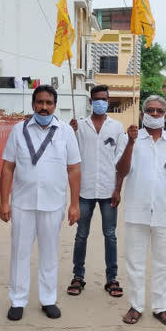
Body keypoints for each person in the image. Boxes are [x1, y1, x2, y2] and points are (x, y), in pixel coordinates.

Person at [0, 85, 81, 321]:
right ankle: (17, 300)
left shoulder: (65, 132)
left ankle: (48, 299)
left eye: (49, 103)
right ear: (33, 104)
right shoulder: (18, 130)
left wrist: (74, 204)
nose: (44, 108)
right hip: (23, 203)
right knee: (19, 254)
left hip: (53, 203)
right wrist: (4, 202)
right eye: (40, 103)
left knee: (49, 254)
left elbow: (74, 169)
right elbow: (7, 167)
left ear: (55, 106)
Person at [115, 96, 166, 327]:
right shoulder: (130, 139)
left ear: (165, 115)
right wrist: (130, 143)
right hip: (137, 210)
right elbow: (121, 170)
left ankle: (160, 307)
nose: (155, 114)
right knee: (135, 262)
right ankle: (136, 306)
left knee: (163, 262)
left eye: (159, 111)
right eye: (151, 110)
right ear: (142, 113)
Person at [67, 85, 125, 297]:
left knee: (110, 235)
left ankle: (112, 279)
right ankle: (78, 276)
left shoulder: (117, 128)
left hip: (109, 190)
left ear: (108, 102)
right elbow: (71, 155)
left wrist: (118, 189)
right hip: (85, 190)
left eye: (104, 99)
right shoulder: (79, 126)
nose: (101, 102)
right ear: (91, 101)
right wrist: (70, 130)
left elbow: (120, 162)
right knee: (81, 234)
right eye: (97, 99)